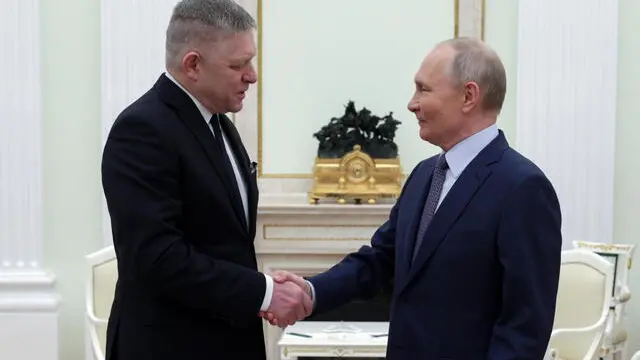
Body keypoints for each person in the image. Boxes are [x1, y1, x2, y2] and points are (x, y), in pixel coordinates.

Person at [266, 37, 562, 360]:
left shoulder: (522, 187)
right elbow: (380, 261)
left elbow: (524, 326)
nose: (412, 103)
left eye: (423, 89)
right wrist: (312, 291)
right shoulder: (423, 175)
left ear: (468, 96)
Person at [101, 1, 311, 359]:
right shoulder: (142, 129)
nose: (252, 75)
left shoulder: (221, 126)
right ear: (193, 64)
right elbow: (156, 258)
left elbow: (226, 243)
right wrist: (263, 291)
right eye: (238, 65)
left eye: (251, 61)